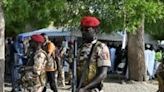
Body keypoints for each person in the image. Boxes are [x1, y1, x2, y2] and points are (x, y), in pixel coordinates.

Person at [76, 16, 111, 92]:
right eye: (82, 29)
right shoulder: (80, 48)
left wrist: (85, 88)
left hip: (93, 89)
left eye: (87, 30)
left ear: (96, 30)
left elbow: (103, 74)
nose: (83, 32)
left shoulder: (101, 48)